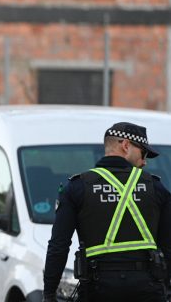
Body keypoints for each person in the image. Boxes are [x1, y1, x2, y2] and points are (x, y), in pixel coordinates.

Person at [43, 122, 171, 302]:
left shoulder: (78, 187)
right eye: (144, 153)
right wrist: (165, 288)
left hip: (97, 290)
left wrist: (49, 294)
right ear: (126, 146)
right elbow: (168, 246)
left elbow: (58, 246)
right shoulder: (156, 188)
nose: (145, 161)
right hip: (147, 290)